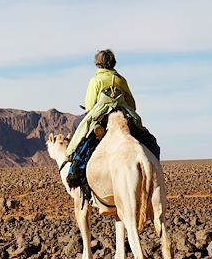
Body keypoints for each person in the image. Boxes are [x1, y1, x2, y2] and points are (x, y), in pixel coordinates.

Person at [65, 49, 156, 190]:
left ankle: (76, 171)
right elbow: (132, 104)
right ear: (113, 63)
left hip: (101, 118)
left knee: (79, 128)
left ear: (97, 63)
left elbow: (89, 105)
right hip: (123, 114)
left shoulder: (95, 80)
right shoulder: (121, 79)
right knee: (146, 139)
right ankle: (154, 169)